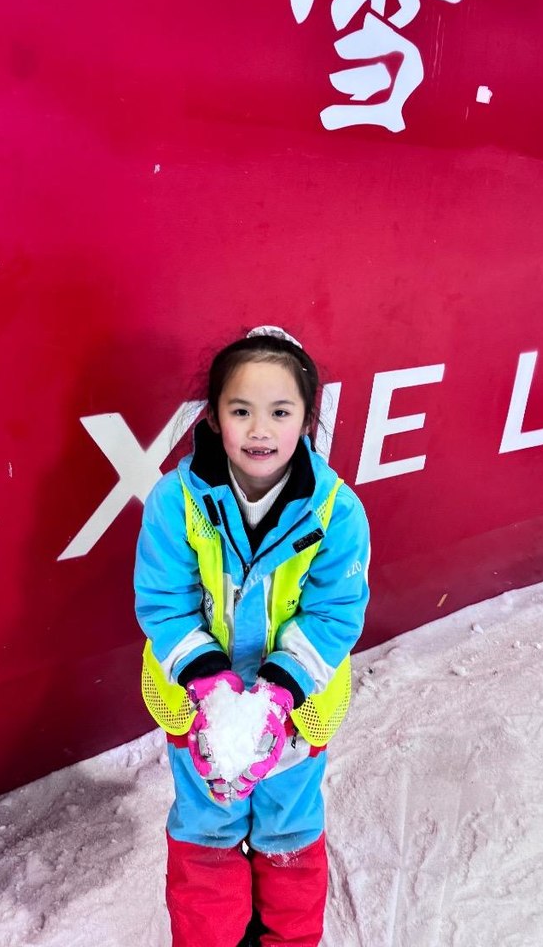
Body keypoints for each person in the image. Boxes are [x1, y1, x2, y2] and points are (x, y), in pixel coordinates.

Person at [134, 326, 371, 947]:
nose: (259, 430)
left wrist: (277, 694)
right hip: (198, 712)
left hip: (296, 713)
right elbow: (164, 603)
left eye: (280, 412)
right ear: (214, 418)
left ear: (307, 419)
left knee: (289, 837)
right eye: (241, 411)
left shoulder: (337, 511)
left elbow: (335, 612)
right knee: (205, 838)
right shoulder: (175, 501)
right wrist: (211, 690)